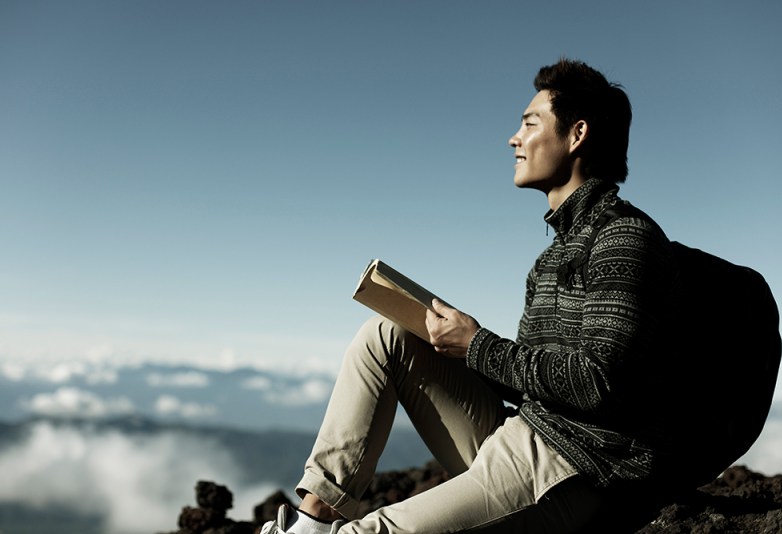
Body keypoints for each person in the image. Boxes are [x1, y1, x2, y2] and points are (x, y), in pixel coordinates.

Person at [262, 58, 682, 534]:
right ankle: (312, 520)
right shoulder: (549, 260)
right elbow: (534, 386)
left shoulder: (622, 238)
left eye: (529, 123)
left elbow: (600, 384)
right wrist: (454, 342)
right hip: (523, 436)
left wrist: (478, 344)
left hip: (574, 468)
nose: (513, 138)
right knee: (387, 335)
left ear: (577, 134)